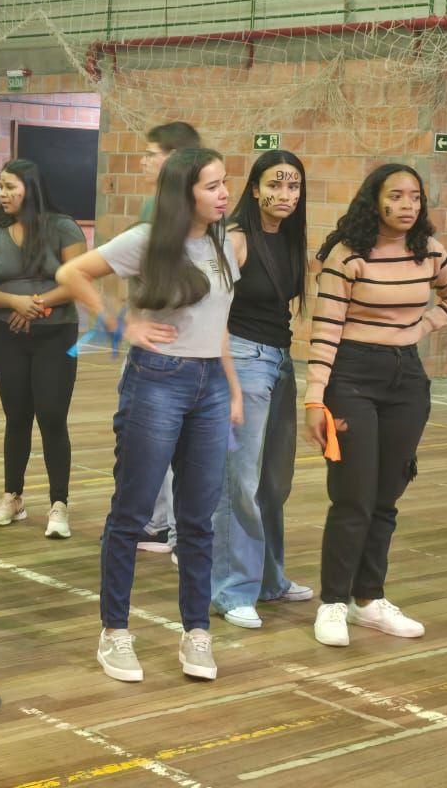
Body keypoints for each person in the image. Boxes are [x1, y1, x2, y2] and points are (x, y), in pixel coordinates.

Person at [57, 147, 242, 683]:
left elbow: (220, 326)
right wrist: (122, 326)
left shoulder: (222, 242)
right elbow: (72, 272)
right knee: (133, 512)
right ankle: (114, 630)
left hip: (209, 385)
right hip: (158, 379)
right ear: (185, 193)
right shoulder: (147, 240)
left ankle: (196, 631)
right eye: (212, 185)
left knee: (198, 519)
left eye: (224, 183)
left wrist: (231, 390)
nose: (224, 193)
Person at [306, 164, 447, 647]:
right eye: (396, 195)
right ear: (374, 200)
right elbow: (325, 330)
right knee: (353, 497)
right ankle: (333, 603)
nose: (407, 205)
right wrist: (314, 397)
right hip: (351, 378)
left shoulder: (429, 250)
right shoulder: (347, 254)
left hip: (407, 380)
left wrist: (420, 327)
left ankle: (369, 599)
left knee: (385, 498)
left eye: (415, 197)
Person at [210, 150, 313, 630]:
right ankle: (232, 590)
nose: (284, 194)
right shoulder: (236, 239)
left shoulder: (289, 238)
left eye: (293, 186)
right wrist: (229, 380)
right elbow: (211, 312)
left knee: (274, 481)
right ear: (254, 189)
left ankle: (269, 579)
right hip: (243, 360)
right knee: (240, 482)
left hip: (280, 362)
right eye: (275, 185)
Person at [0, 159, 86, 537]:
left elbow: (77, 281)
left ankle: (59, 504)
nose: (3, 194)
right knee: (17, 417)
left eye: (10, 187)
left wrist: (35, 306)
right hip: (8, 335)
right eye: (1, 187)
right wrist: (14, 303)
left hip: (57, 334)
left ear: (31, 188)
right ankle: (13, 498)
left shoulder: (64, 227)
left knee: (52, 417)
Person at [135, 121, 202, 557]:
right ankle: (158, 524)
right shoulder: (151, 207)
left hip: (187, 350)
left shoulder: (201, 212)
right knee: (150, 442)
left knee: (185, 447)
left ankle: (180, 535)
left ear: (174, 159)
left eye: (151, 154)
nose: (143, 161)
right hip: (152, 344)